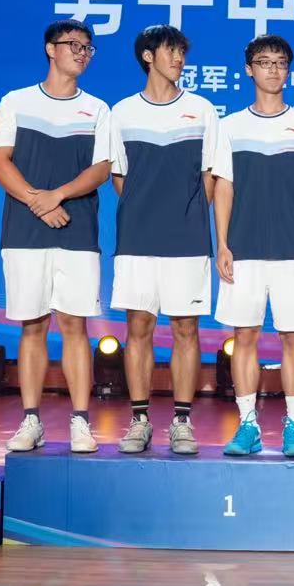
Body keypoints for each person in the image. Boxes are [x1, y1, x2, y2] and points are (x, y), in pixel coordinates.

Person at [0, 20, 113, 456]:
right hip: (24, 231)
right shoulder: (16, 102)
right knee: (33, 324)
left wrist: (56, 196)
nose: (81, 53)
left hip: (77, 229)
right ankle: (31, 419)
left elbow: (101, 169)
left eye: (87, 48)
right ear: (49, 48)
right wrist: (36, 201)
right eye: (72, 45)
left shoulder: (97, 109)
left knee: (75, 325)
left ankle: (80, 420)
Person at [105, 24, 219, 456]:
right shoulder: (122, 113)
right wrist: (145, 209)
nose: (179, 59)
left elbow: (210, 175)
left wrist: (185, 214)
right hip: (137, 237)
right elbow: (119, 176)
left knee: (186, 328)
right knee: (139, 327)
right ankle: (139, 420)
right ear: (148, 56)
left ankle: (182, 421)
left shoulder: (202, 110)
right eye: (171, 51)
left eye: (181, 52)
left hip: (187, 239)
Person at [213, 34, 294, 457]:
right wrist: (223, 244)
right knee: (244, 336)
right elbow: (224, 187)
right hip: (243, 248)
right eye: (264, 62)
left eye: (280, 62)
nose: (273, 69)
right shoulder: (229, 127)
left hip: (292, 250)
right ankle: (248, 426)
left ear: (289, 71)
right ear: (249, 70)